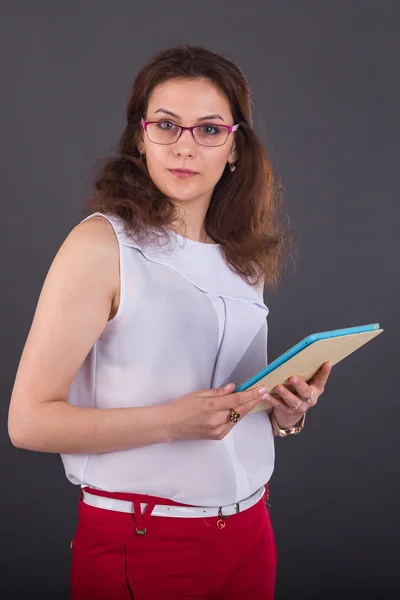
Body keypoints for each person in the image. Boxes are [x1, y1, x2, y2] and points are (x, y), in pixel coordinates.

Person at [8, 44, 332, 600]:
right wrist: (173, 421)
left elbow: (229, 407)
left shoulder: (240, 257)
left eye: (209, 129)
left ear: (234, 147)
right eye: (166, 125)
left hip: (251, 533)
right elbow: (28, 423)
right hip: (146, 539)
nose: (186, 146)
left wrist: (282, 413)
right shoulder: (101, 245)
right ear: (140, 138)